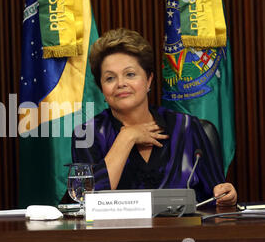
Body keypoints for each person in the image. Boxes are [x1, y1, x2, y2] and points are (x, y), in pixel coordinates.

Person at [72, 28, 237, 206]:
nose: (121, 83)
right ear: (101, 88)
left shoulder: (187, 127)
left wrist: (226, 196)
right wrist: (127, 137)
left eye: (130, 74)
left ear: (149, 80)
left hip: (184, 232)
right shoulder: (87, 134)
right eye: (110, 78)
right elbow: (88, 202)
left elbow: (216, 199)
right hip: (114, 233)